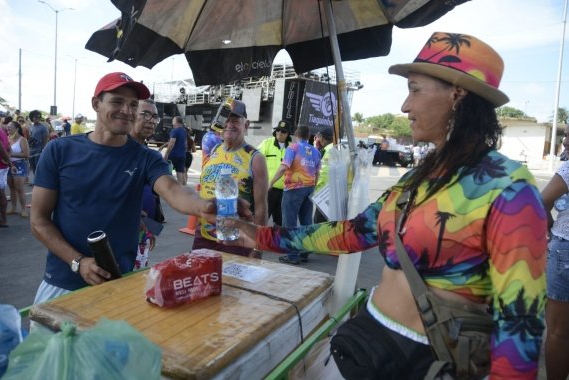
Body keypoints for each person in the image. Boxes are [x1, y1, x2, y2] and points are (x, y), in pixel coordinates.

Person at [225, 32, 547, 379]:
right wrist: (261, 237)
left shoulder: (509, 188)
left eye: (414, 89)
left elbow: (520, 323)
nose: (405, 107)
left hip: (432, 362)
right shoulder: (416, 180)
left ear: (458, 94)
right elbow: (352, 233)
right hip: (367, 342)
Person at [30, 72, 247, 304]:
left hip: (119, 284)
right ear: (96, 104)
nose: (126, 110)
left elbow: (173, 190)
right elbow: (38, 220)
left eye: (133, 104)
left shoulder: (145, 158)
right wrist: (78, 261)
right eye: (117, 101)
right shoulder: (60, 150)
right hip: (62, 283)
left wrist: (205, 206)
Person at [191, 99, 268, 258]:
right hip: (205, 236)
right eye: (225, 119)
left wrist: (258, 247)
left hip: (237, 240)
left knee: (231, 283)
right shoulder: (215, 150)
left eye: (235, 120)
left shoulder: (255, 158)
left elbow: (261, 207)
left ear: (245, 125)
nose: (229, 124)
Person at [540, 126, 569, 380]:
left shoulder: (568, 170)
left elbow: (540, 202)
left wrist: (551, 226)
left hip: (566, 252)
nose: (566, 140)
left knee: (559, 332)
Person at [269, 125, 320, 264]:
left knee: (289, 222)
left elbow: (284, 167)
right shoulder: (316, 151)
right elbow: (317, 173)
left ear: (296, 134)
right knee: (306, 222)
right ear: (309, 136)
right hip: (309, 188)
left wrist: (271, 182)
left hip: (293, 188)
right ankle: (304, 251)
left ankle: (292, 255)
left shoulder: (293, 148)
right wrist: (312, 187)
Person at [129, 98, 164, 269]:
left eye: (155, 116)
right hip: (120, 235)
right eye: (145, 114)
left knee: (136, 283)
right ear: (131, 114)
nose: (151, 120)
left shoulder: (149, 155)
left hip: (142, 232)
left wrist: (149, 230)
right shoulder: (117, 151)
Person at [256, 120, 292, 226]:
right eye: (278, 130)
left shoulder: (292, 148)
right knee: (262, 219)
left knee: (280, 222)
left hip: (285, 192)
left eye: (283, 131)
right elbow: (255, 162)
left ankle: (277, 241)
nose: (280, 133)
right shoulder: (266, 144)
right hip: (268, 189)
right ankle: (259, 241)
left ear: (288, 134)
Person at [6, 121, 29, 217]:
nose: (8, 129)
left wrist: (11, 154)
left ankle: (24, 209)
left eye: (10, 127)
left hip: (19, 165)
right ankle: (13, 208)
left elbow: (26, 154)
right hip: (8, 165)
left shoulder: (22, 140)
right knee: (11, 188)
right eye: (7, 127)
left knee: (19, 188)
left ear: (17, 129)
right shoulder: (7, 139)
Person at [313, 127, 333, 223]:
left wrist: (314, 187)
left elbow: (322, 173)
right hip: (333, 191)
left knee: (319, 222)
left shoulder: (326, 150)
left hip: (323, 192)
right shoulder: (335, 147)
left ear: (322, 137)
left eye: (319, 137)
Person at [162, 116, 187, 185]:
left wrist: (167, 153)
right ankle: (181, 189)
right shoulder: (184, 131)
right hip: (182, 155)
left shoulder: (174, 131)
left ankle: (168, 187)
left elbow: (172, 142)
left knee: (168, 171)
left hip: (173, 154)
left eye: (173, 121)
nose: (172, 122)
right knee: (179, 172)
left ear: (176, 122)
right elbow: (185, 143)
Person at [27, 110, 48, 185]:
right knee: (32, 166)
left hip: (39, 150)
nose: (37, 118)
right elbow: (30, 137)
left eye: (39, 117)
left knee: (37, 166)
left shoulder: (43, 127)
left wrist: (44, 149)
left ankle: (39, 181)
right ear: (32, 118)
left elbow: (45, 139)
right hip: (31, 150)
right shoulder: (32, 127)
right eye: (35, 117)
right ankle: (35, 180)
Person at [0, 126, 13, 227]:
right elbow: (8, 148)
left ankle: (3, 220)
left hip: (0, 166)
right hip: (2, 166)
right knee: (1, 193)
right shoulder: (2, 131)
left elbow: (2, 149)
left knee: (1, 193)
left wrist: (9, 162)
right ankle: (3, 219)